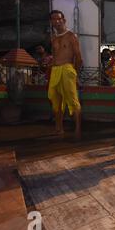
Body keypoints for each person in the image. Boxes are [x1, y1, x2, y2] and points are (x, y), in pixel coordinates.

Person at [48, 10, 82, 140]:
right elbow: (55, 56)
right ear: (51, 22)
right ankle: (59, 128)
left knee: (73, 101)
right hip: (55, 71)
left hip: (67, 70)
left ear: (64, 20)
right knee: (55, 101)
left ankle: (78, 130)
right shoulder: (54, 39)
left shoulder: (71, 36)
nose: (56, 21)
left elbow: (79, 58)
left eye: (59, 19)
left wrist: (75, 74)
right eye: (53, 19)